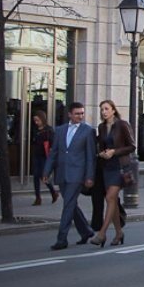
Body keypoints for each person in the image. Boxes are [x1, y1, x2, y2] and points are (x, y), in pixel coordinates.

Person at [43, 102, 96, 250]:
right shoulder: (59, 130)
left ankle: (62, 238)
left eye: (82, 113)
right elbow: (54, 153)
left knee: (68, 206)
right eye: (77, 113)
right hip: (62, 173)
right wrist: (46, 172)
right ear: (70, 114)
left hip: (77, 174)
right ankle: (86, 231)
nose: (80, 116)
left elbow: (90, 156)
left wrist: (89, 176)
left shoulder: (88, 131)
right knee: (71, 204)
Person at [92, 100, 135, 247]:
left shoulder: (122, 125)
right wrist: (103, 153)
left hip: (120, 167)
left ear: (113, 110)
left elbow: (132, 146)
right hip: (107, 167)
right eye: (102, 109)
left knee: (110, 197)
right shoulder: (102, 127)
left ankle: (102, 233)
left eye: (106, 109)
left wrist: (114, 152)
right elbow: (102, 146)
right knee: (113, 201)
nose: (104, 112)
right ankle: (119, 232)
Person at [30, 111, 58, 206]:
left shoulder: (48, 130)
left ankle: (53, 191)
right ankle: (38, 197)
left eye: (37, 120)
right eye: (35, 120)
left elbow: (53, 142)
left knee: (43, 176)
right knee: (36, 176)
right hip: (37, 154)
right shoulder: (36, 129)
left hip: (44, 156)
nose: (36, 122)